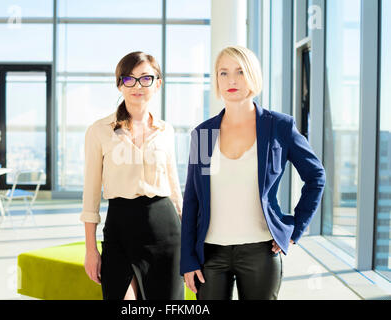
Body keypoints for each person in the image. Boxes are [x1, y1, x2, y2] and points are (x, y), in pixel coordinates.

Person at [180, 45, 326, 300]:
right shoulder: (203, 135)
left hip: (261, 251)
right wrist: (188, 259)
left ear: (253, 76)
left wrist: (295, 228)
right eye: (223, 73)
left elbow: (316, 177)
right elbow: (192, 200)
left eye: (240, 71)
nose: (231, 80)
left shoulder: (279, 126)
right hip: (210, 254)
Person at [80, 51, 184, 300]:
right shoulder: (99, 131)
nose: (138, 86)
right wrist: (91, 249)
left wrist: (190, 237)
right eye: (129, 79)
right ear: (119, 84)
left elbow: (174, 187)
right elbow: (91, 194)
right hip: (120, 230)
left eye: (146, 78)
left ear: (158, 83)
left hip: (165, 231)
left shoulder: (166, 131)